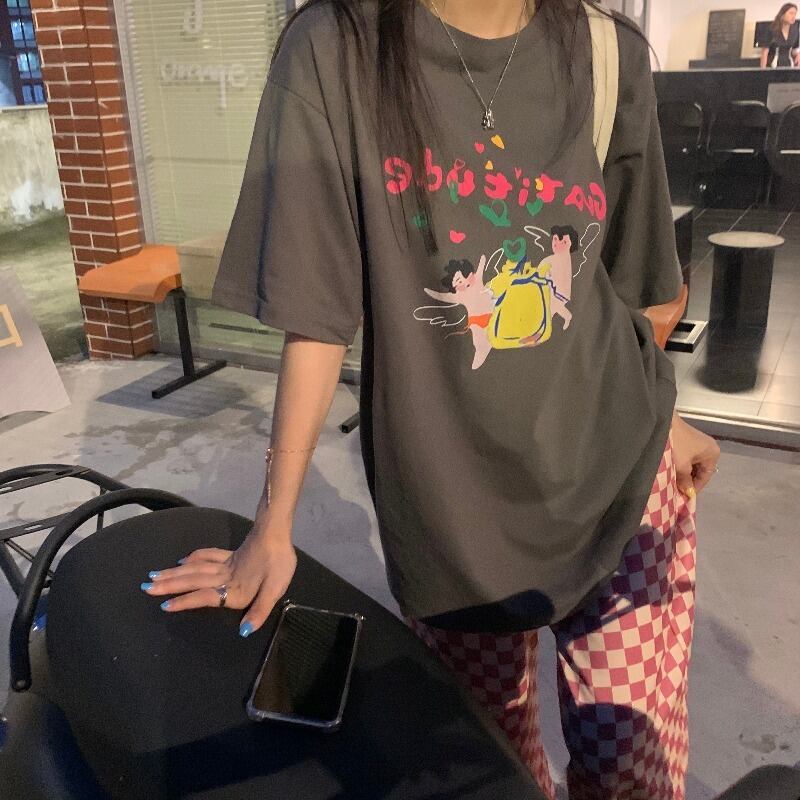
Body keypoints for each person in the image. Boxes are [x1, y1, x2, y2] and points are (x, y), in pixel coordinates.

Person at [140, 1, 721, 797]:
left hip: (624, 491)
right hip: (454, 517)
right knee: (486, 767)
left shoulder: (605, 50)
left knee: (631, 774)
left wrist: (662, 415)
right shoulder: (337, 49)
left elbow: (637, 291)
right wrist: (272, 526)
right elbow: (316, 316)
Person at [761, 3, 800, 68]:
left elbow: (794, 50)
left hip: (789, 66)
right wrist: (762, 71)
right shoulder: (771, 30)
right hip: (773, 67)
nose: (793, 16)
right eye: (791, 13)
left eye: (795, 14)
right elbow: (764, 52)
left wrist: (798, 54)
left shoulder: (795, 31)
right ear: (782, 14)